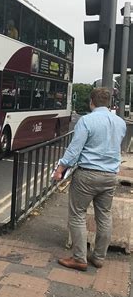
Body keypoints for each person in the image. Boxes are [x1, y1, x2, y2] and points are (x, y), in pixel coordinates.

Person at [53, 87, 126, 271]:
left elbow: (74, 150)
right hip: (110, 176)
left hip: (87, 175)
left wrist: (60, 169)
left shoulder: (86, 121)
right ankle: (99, 257)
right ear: (109, 102)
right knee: (104, 216)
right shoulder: (120, 123)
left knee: (77, 215)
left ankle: (79, 258)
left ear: (91, 101)